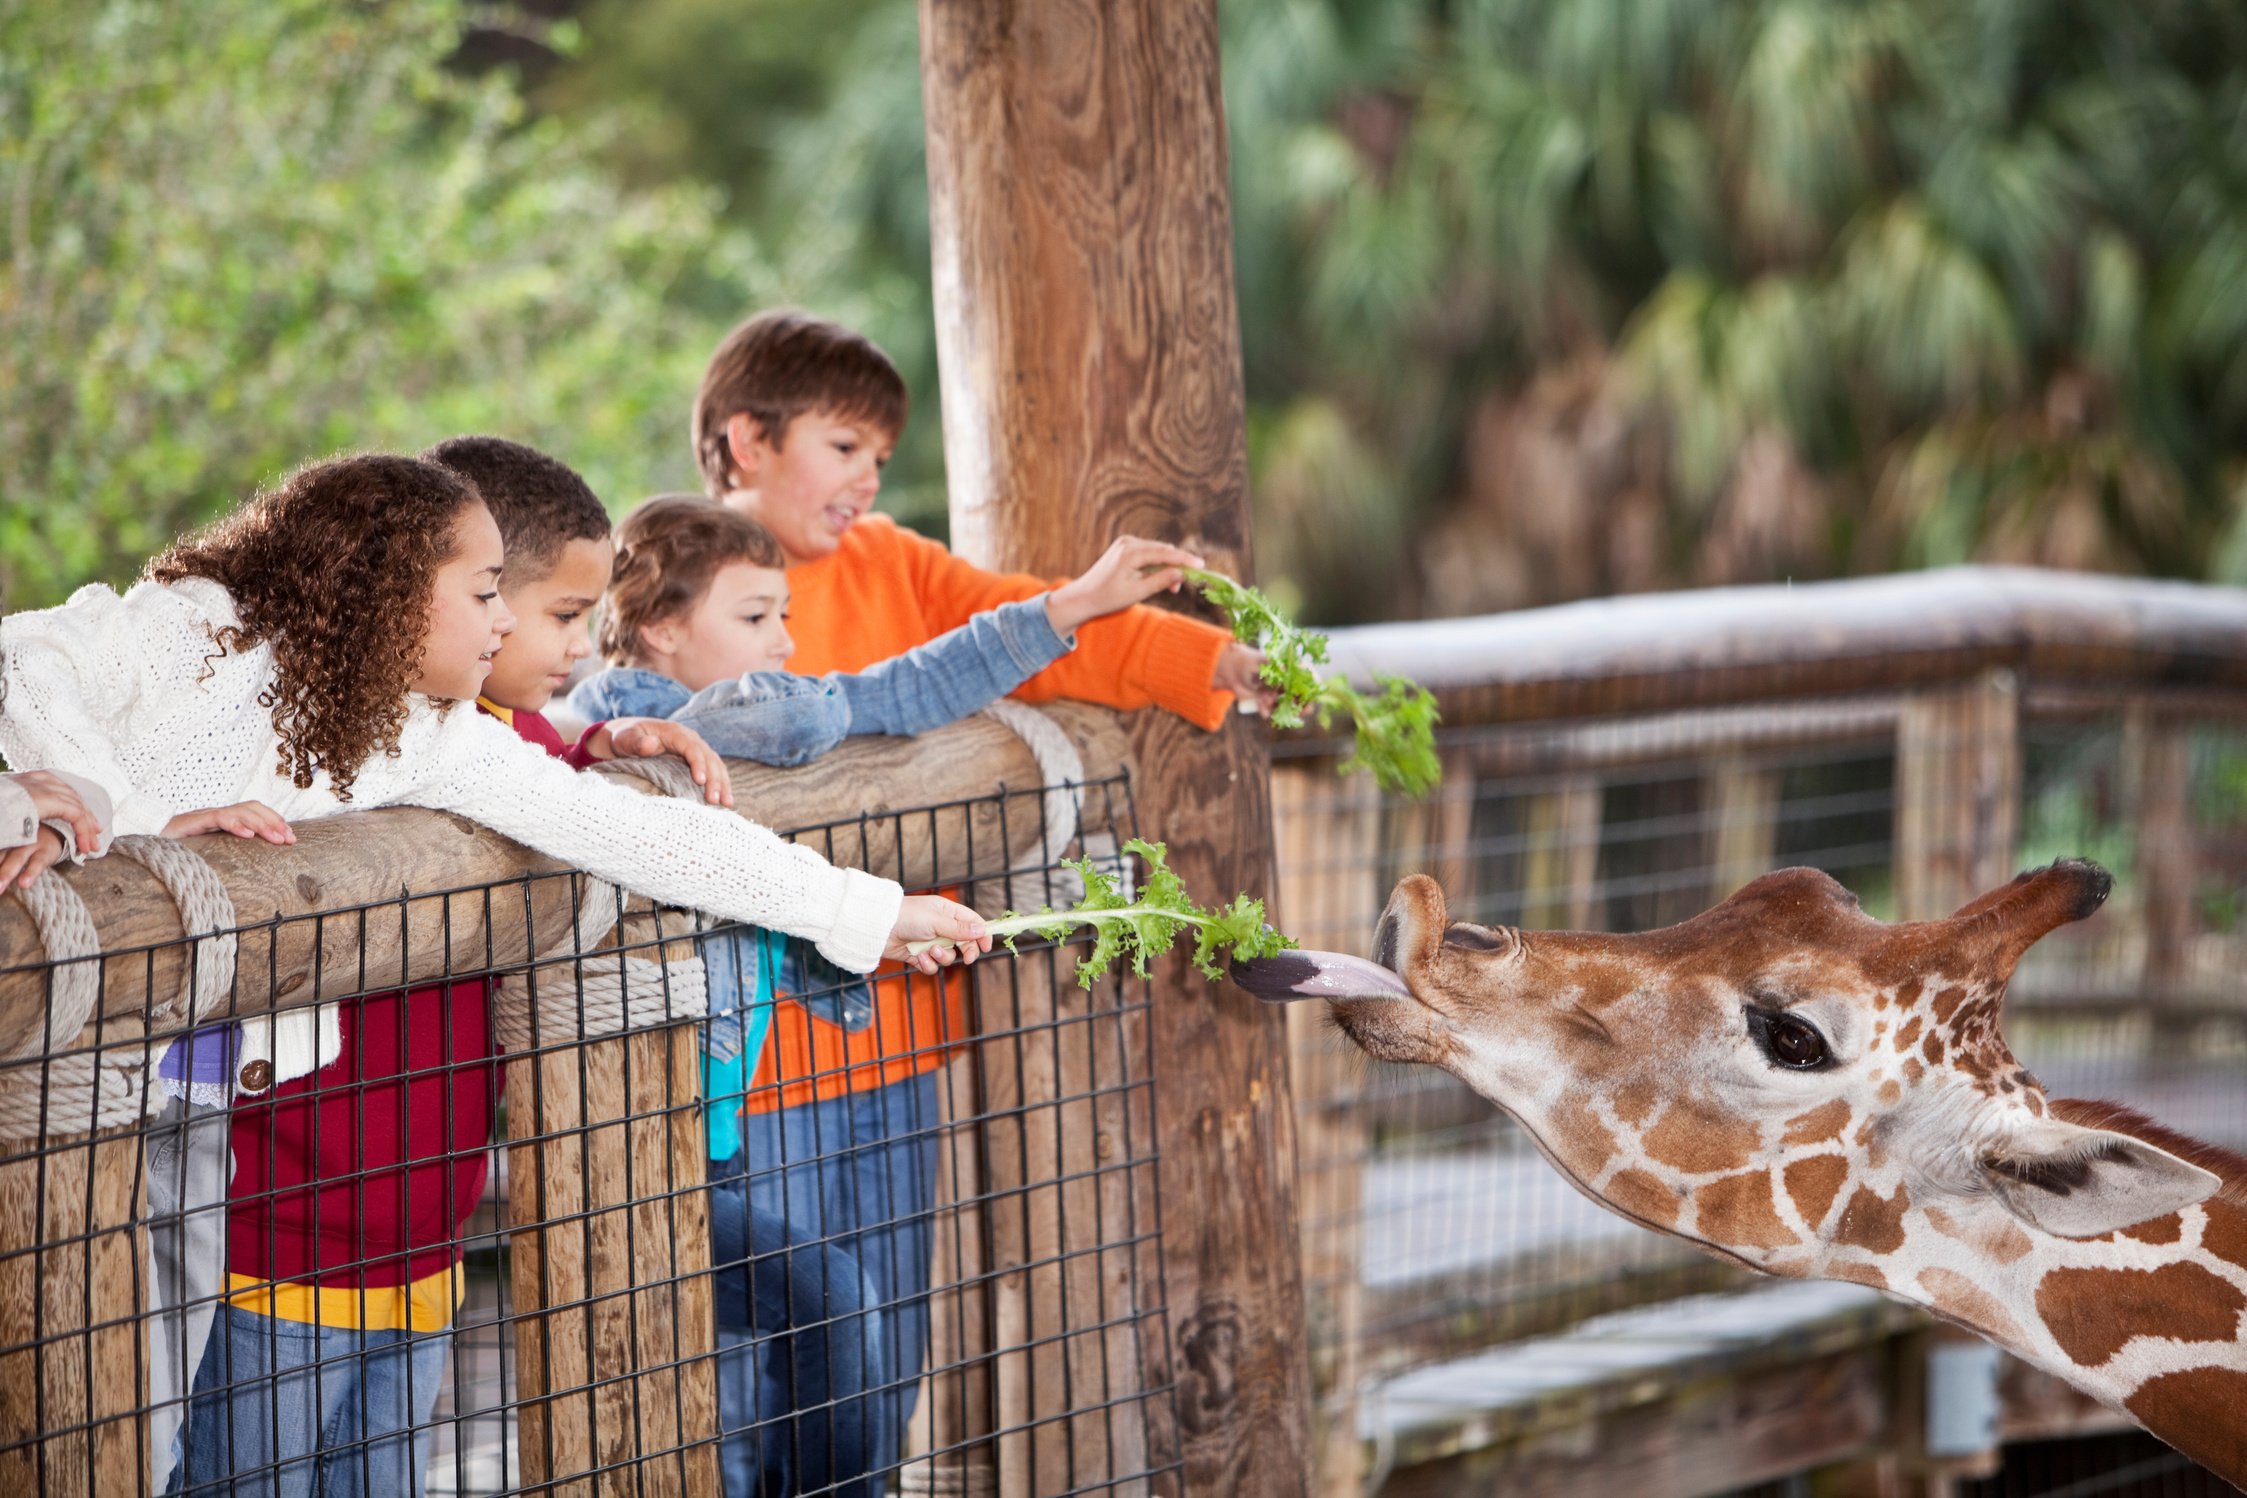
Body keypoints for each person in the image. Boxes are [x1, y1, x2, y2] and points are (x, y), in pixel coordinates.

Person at [0, 451, 988, 1496]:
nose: (503, 625)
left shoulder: (429, 734)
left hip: (207, 1136)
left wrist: (869, 911)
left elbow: (633, 833)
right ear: (388, 583)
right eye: (482, 594)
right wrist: (112, 813)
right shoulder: (192, 625)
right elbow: (21, 661)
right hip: (97, 1120)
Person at [688, 308, 1273, 1476]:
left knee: (883, 1353)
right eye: (842, 447)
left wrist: (1212, 661)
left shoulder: (897, 565)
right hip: (752, 1068)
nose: (865, 480)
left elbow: (1043, 631)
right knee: (757, 1368)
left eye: (878, 459)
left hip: (902, 1046)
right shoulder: (673, 575)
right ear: (747, 439)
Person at [569, 495, 1201, 1494]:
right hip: (683, 1140)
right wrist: (1070, 603)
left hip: (686, 1132)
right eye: (755, 617)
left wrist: (857, 942)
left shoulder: (597, 726)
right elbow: (901, 691)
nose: (786, 639)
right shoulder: (741, 714)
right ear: (658, 627)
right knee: (818, 1328)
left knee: (735, 1371)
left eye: (783, 614)